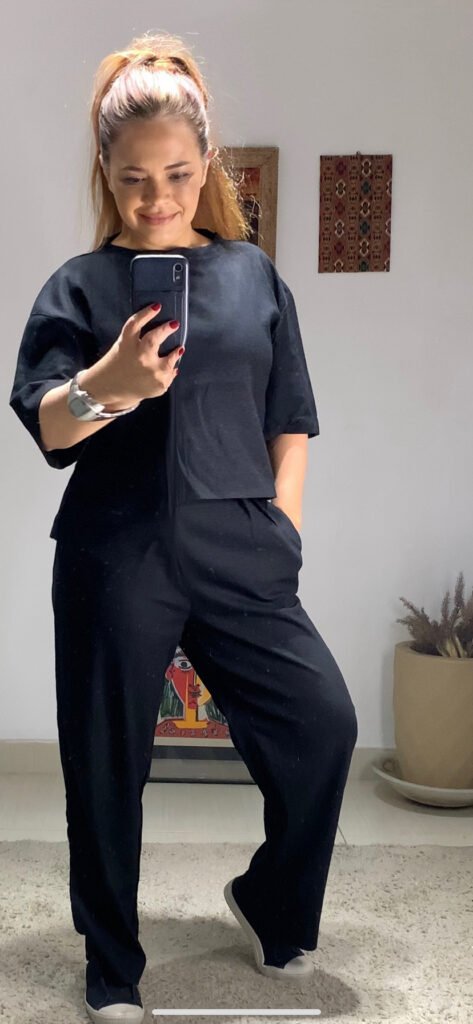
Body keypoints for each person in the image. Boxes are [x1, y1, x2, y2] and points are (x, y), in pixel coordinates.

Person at [9, 31, 358, 1024]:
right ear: (106, 174)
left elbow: (290, 417)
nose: (154, 197)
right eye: (132, 180)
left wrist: (283, 532)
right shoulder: (77, 286)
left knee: (322, 725)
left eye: (173, 174)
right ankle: (111, 966)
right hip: (114, 550)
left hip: (241, 545)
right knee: (104, 762)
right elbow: (49, 425)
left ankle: (272, 899)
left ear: (205, 165)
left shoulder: (255, 277)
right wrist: (107, 384)